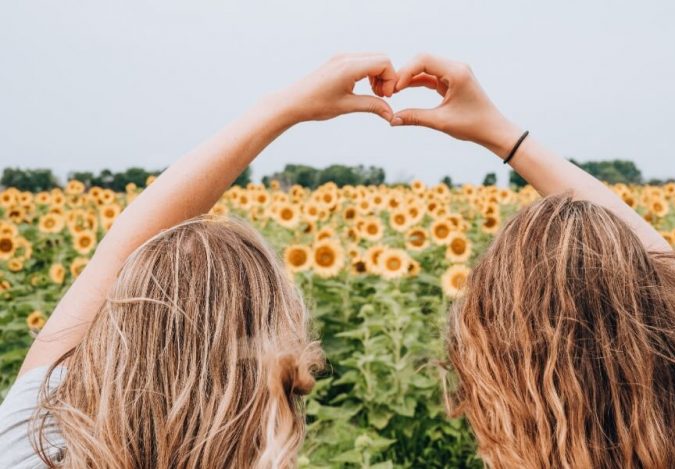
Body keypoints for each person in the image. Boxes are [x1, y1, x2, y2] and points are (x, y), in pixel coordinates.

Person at [388, 54, 675, 468]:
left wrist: (497, 134)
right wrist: (501, 133)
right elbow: (672, 287)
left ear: (503, 380)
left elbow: (672, 285)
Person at [0, 53, 401, 468]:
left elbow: (114, 256)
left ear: (111, 346)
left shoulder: (26, 449)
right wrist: (285, 109)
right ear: (272, 380)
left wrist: (281, 107)